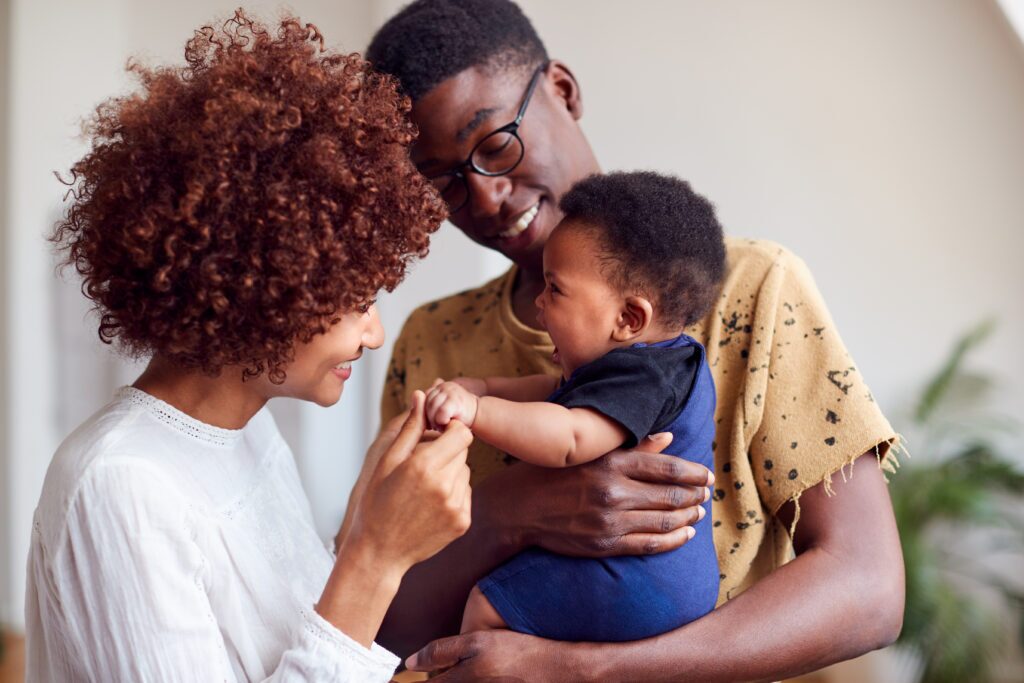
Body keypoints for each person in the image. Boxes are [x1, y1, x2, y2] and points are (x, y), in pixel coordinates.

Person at [364, 0, 905, 680]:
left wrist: (587, 668)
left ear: (562, 89)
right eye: (443, 181)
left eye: (495, 143)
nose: (486, 195)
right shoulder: (433, 342)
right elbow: (381, 614)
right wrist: (512, 511)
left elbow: (868, 587)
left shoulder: (753, 290)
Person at [26, 12, 472, 682]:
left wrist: (362, 525)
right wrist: (375, 558)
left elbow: (284, 641)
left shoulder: (246, 432)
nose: (374, 332)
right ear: (256, 281)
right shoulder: (120, 485)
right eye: (356, 299)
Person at [424, 171, 724, 641]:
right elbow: (551, 393)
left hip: (639, 577)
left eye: (555, 289)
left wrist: (475, 411)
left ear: (628, 318)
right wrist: (484, 386)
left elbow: (567, 438)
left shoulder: (642, 377)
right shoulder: (661, 363)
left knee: (488, 603)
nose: (539, 303)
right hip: (666, 577)